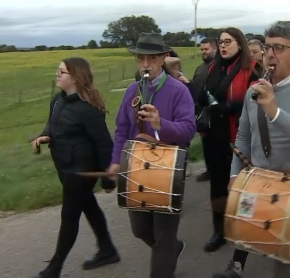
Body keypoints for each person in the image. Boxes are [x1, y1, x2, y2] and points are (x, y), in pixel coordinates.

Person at [212, 20, 290, 278]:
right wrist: (234, 175)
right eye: (267, 47)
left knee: (287, 265)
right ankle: (236, 265)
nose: (269, 55)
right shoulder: (253, 92)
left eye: (279, 48)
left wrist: (274, 111)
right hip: (258, 186)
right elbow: (243, 136)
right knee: (245, 238)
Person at [107, 33, 196, 278]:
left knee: (164, 236)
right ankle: (172, 249)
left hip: (167, 172)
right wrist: (115, 161)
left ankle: (166, 257)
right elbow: (121, 129)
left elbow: (189, 130)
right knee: (140, 230)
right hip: (135, 170)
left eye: (152, 58)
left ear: (164, 58)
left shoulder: (179, 91)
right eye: (141, 59)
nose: (146, 64)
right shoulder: (132, 91)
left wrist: (160, 123)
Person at [31, 57, 120, 278]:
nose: (57, 74)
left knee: (69, 217)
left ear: (76, 77)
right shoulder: (57, 100)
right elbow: (52, 123)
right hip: (64, 167)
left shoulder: (88, 108)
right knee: (89, 206)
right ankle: (107, 250)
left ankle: (54, 269)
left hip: (81, 171)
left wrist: (108, 180)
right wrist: (44, 135)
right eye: (58, 70)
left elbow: (103, 144)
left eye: (62, 72)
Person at [197, 27, 260, 254]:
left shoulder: (251, 69)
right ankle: (219, 229)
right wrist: (210, 102)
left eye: (228, 41)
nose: (223, 46)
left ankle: (245, 227)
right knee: (217, 183)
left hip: (238, 136)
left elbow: (255, 102)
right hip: (214, 133)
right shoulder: (213, 67)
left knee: (242, 185)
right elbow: (207, 95)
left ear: (239, 44)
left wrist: (231, 106)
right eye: (221, 42)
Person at [193, 37, 217, 182]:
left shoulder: (220, 68)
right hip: (201, 112)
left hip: (215, 112)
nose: (204, 52)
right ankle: (209, 170)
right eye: (202, 49)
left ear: (215, 49)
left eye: (206, 49)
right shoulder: (199, 69)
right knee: (206, 145)